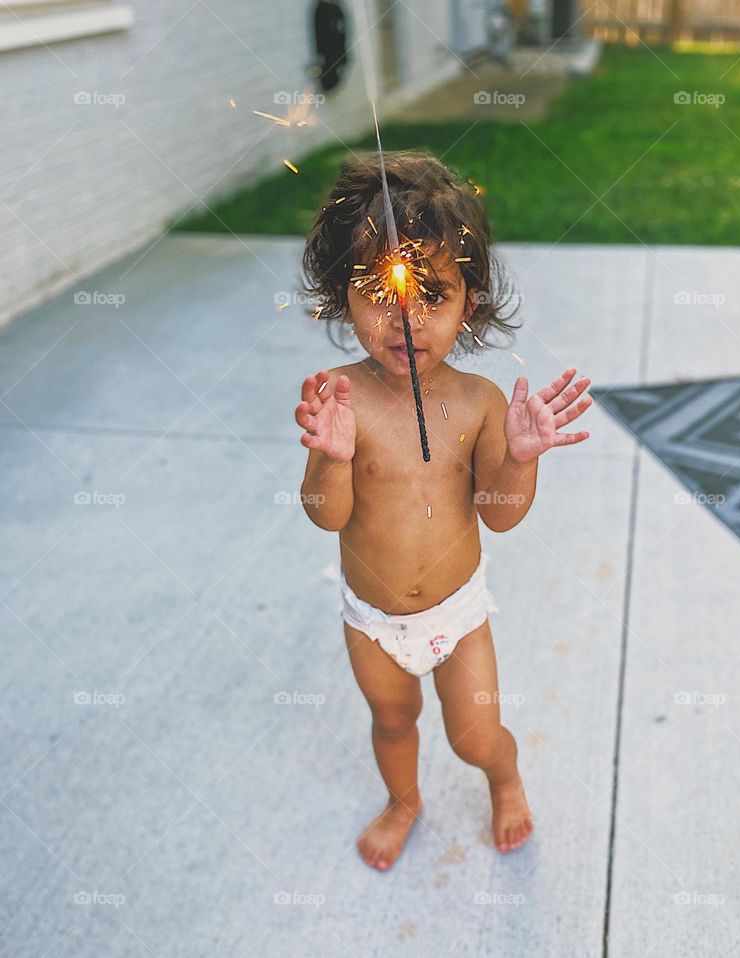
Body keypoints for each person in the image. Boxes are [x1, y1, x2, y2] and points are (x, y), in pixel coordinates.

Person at [295, 150, 592, 871]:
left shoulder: (480, 403)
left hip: (457, 618)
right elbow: (324, 516)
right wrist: (329, 459)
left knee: (475, 735)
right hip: (372, 621)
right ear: (342, 297)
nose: (407, 319)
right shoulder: (340, 396)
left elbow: (501, 515)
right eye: (379, 294)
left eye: (433, 294)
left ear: (471, 301)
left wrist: (520, 458)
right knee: (392, 722)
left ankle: (505, 777)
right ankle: (403, 801)